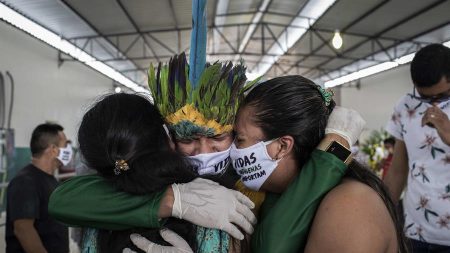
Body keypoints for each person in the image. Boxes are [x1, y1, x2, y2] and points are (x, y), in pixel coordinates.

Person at [49, 55, 364, 252]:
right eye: (187, 140)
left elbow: (274, 242)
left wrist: (332, 152)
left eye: (220, 137)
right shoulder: (148, 171)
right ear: (166, 136)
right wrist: (172, 199)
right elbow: (65, 200)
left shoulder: (254, 176)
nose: (203, 152)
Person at [131, 75, 407, 253]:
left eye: (238, 139)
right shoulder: (272, 193)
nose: (229, 152)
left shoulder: (351, 205)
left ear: (281, 146)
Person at [384, 43, 450, 252]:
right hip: (415, 230)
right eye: (423, 96)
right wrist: (381, 213)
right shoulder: (406, 105)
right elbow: (398, 170)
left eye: (440, 96)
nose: (431, 103)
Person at [6, 123, 72, 253]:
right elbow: (23, 229)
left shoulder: (51, 180)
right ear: (53, 150)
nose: (68, 150)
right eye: (65, 146)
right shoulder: (25, 182)